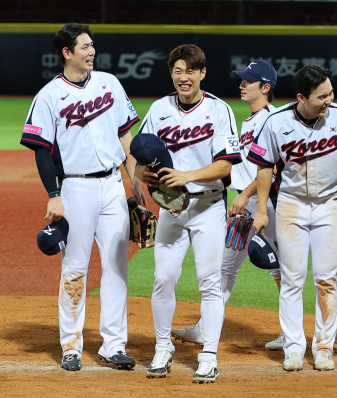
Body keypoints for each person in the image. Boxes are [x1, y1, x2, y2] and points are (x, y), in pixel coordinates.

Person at [20, 23, 143, 371]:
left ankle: (113, 345)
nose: (92, 51)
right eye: (85, 46)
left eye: (92, 45)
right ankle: (71, 346)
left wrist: (134, 179)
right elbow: (42, 152)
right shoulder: (48, 96)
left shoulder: (110, 84)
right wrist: (53, 194)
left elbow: (125, 135)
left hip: (112, 188)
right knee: (74, 269)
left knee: (117, 264)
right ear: (67, 52)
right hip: (75, 188)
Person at [249, 65, 337, 372]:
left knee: (326, 279)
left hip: (330, 204)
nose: (328, 100)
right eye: (321, 96)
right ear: (301, 97)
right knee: (292, 278)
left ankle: (324, 347)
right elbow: (264, 166)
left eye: (330, 93)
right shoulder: (276, 122)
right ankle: (294, 347)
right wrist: (262, 209)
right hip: (291, 204)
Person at [134, 44, 241, 383]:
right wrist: (147, 177)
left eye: (191, 71)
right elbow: (139, 164)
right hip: (171, 208)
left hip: (208, 205)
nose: (184, 77)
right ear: (172, 74)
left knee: (209, 282)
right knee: (163, 277)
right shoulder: (158, 109)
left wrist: (187, 176)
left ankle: (209, 354)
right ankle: (162, 346)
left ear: (202, 73)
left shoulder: (219, 110)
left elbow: (226, 164)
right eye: (178, 71)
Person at [170, 60, 287, 351]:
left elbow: (271, 168)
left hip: (265, 205)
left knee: (280, 270)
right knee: (225, 270)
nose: (242, 85)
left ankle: (292, 331)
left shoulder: (272, 119)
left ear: (266, 87)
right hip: (243, 205)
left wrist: (246, 196)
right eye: (242, 80)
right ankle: (204, 328)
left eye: (249, 81)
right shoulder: (249, 120)